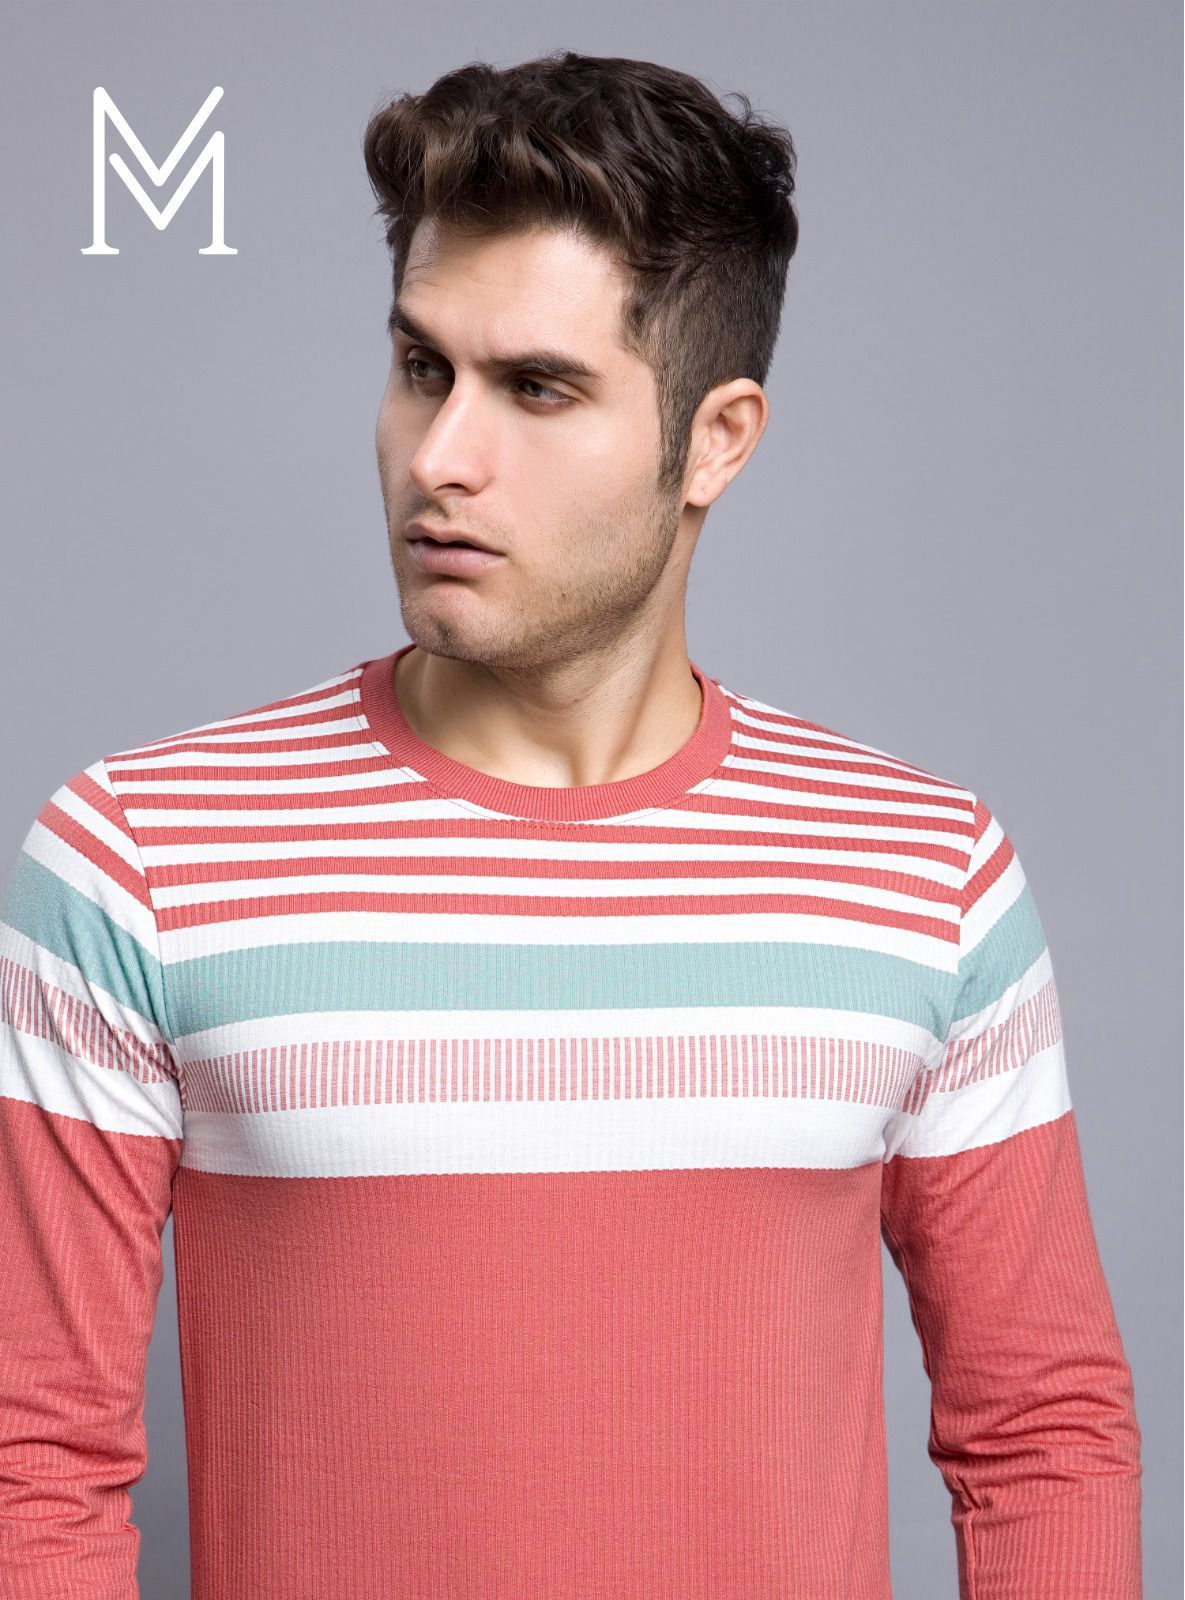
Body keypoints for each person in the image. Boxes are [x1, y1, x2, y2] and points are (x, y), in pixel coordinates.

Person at [0, 49, 1142, 1600]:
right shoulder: (140, 856)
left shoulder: (923, 876)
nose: (439, 457)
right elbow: (34, 1455)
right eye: (421, 368)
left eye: (536, 389)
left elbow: (1042, 1433)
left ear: (716, 439)